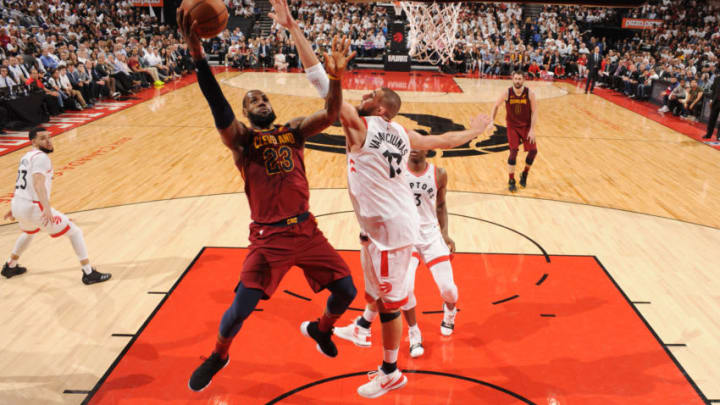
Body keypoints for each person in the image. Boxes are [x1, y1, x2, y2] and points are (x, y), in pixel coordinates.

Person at [178, 0, 359, 393]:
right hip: (269, 238)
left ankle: (320, 329)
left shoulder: (293, 130)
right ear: (244, 112)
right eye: (252, 100)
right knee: (240, 308)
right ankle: (219, 355)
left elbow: (330, 115)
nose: (260, 101)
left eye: (264, 98)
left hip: (307, 231)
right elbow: (217, 106)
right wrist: (198, 55)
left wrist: (338, 78)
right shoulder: (242, 141)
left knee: (347, 291)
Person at [334, 85, 490, 396]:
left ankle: (393, 367)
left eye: (374, 93)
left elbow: (441, 147)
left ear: (381, 110)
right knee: (380, 288)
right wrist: (473, 131)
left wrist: (332, 73)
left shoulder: (431, 167)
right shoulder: (397, 136)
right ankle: (366, 327)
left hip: (408, 230)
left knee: (404, 296)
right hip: (384, 227)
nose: (367, 93)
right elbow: (443, 139)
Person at [334, 145, 459, 359]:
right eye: (410, 145)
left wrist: (445, 234)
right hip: (404, 234)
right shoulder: (396, 171)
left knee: (449, 289)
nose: (413, 149)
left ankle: (450, 312)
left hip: (430, 235)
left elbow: (441, 204)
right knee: (405, 289)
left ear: (428, 150)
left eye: (419, 145)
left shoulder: (439, 173)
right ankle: (414, 332)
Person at [2, 128, 111, 284]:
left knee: (29, 232)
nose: (48, 141)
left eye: (49, 137)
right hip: (33, 207)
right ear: (33, 142)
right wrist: (46, 209)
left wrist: (16, 206)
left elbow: (22, 183)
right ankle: (88, 273)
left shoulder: (26, 156)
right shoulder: (41, 158)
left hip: (19, 203)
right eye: (42, 138)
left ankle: (10, 266)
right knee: (74, 232)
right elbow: (38, 184)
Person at [492, 70, 538, 192]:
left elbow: (534, 112)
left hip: (526, 126)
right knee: (513, 152)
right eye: (516, 79)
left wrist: (532, 129)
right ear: (513, 79)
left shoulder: (530, 93)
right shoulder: (507, 92)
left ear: (523, 80)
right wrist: (492, 120)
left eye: (520, 79)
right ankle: (511, 180)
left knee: (533, 151)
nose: (517, 81)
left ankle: (524, 174)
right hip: (512, 126)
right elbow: (495, 106)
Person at [703, 75, 720, 140]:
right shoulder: (717, 78)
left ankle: (718, 136)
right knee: (712, 119)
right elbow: (713, 91)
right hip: (716, 102)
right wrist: (711, 100)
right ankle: (708, 134)